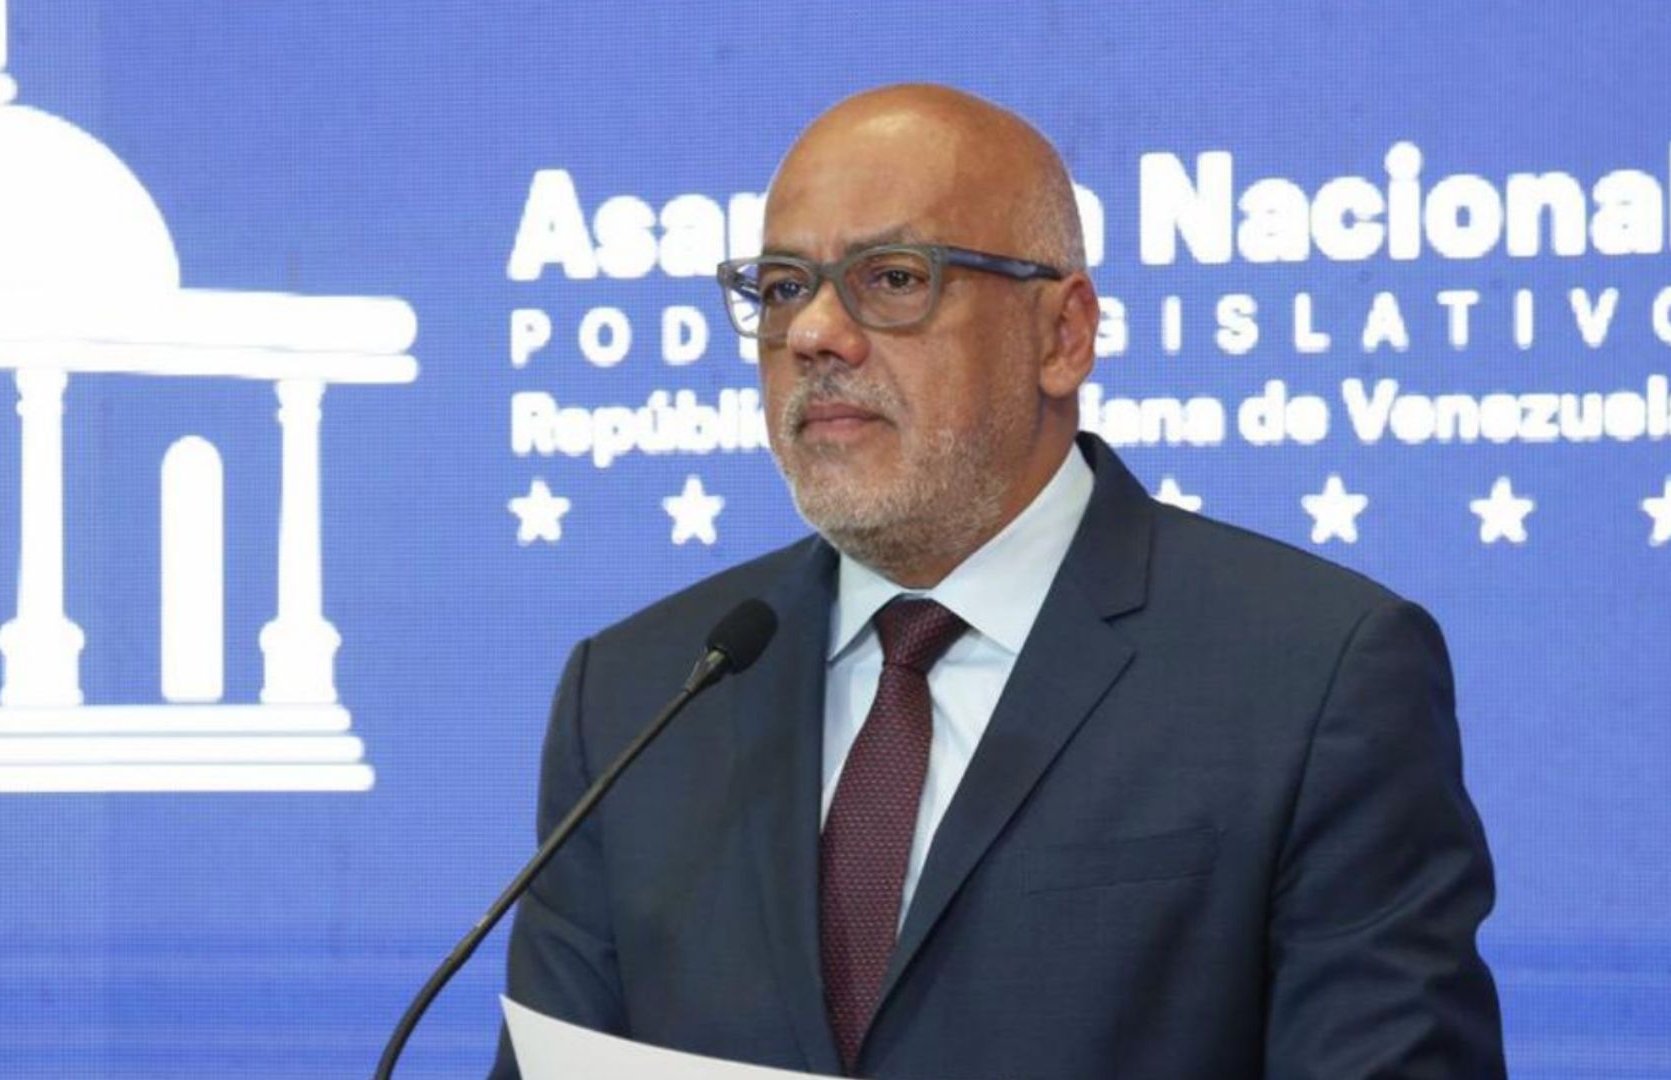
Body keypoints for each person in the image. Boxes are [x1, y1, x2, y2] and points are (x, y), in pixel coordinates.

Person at [491, 84, 1505, 1079]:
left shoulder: (1310, 676)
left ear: (1062, 336)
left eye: (893, 278)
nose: (812, 334)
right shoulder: (637, 695)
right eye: (784, 287)